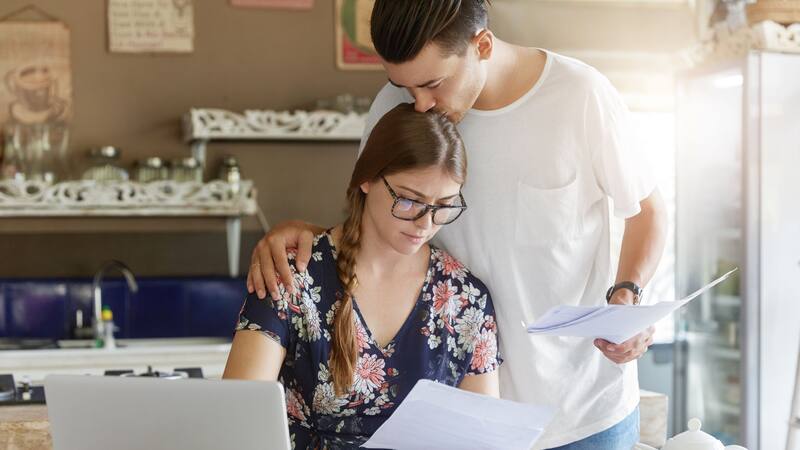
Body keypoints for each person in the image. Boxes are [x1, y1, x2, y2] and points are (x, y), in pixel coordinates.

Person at [246, 1, 668, 448]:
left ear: (481, 45)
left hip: (582, 411)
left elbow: (648, 211)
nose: (420, 104)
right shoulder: (396, 103)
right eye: (404, 86)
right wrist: (303, 235)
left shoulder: (580, 95)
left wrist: (628, 295)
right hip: (460, 416)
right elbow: (379, 215)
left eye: (433, 84)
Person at [224, 103, 502, 449]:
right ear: (367, 178)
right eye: (409, 200)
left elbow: (484, 439)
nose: (425, 223)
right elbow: (237, 422)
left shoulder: (465, 299)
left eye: (443, 206)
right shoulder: (291, 275)